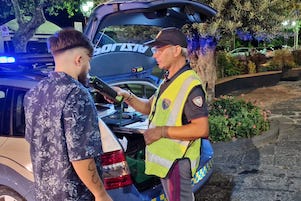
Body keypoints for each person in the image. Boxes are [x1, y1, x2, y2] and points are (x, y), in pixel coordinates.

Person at [115, 27, 209, 201]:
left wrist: (161, 131)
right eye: (155, 50)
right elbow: (148, 107)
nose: (155, 55)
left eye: (159, 49)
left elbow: (201, 128)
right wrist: (126, 96)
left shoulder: (190, 83)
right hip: (168, 163)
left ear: (176, 50)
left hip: (178, 163)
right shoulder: (168, 80)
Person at [24, 28, 112, 201]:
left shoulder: (34, 93)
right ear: (79, 59)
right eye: (89, 60)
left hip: (44, 194)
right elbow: (81, 155)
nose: (90, 67)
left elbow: (34, 142)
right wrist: (100, 194)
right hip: (76, 196)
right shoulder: (77, 94)